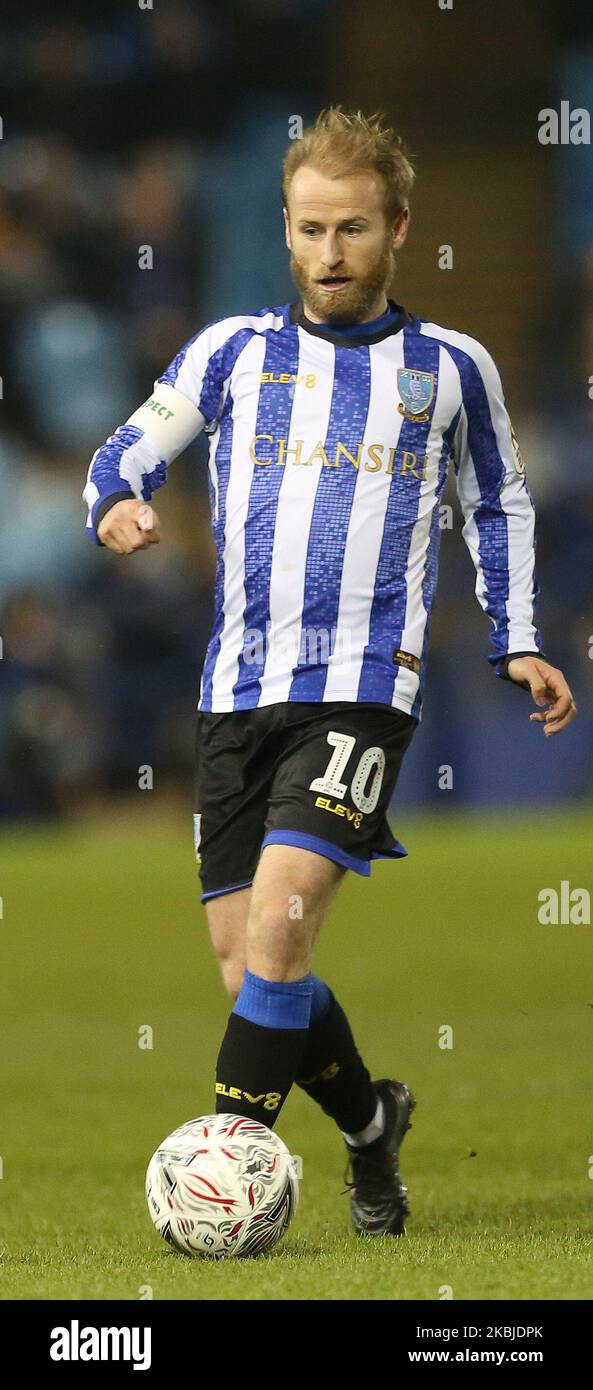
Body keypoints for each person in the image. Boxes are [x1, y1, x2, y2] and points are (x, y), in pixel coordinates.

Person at [83, 106, 576, 1238]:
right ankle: (368, 1127)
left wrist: (516, 635)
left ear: (397, 226)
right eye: (309, 228)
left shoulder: (450, 370)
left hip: (362, 687)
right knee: (248, 967)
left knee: (282, 929)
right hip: (235, 693)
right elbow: (124, 450)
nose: (330, 251)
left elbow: (493, 504)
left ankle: (224, 1173)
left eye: (353, 227)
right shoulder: (229, 352)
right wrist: (116, 502)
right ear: (287, 231)